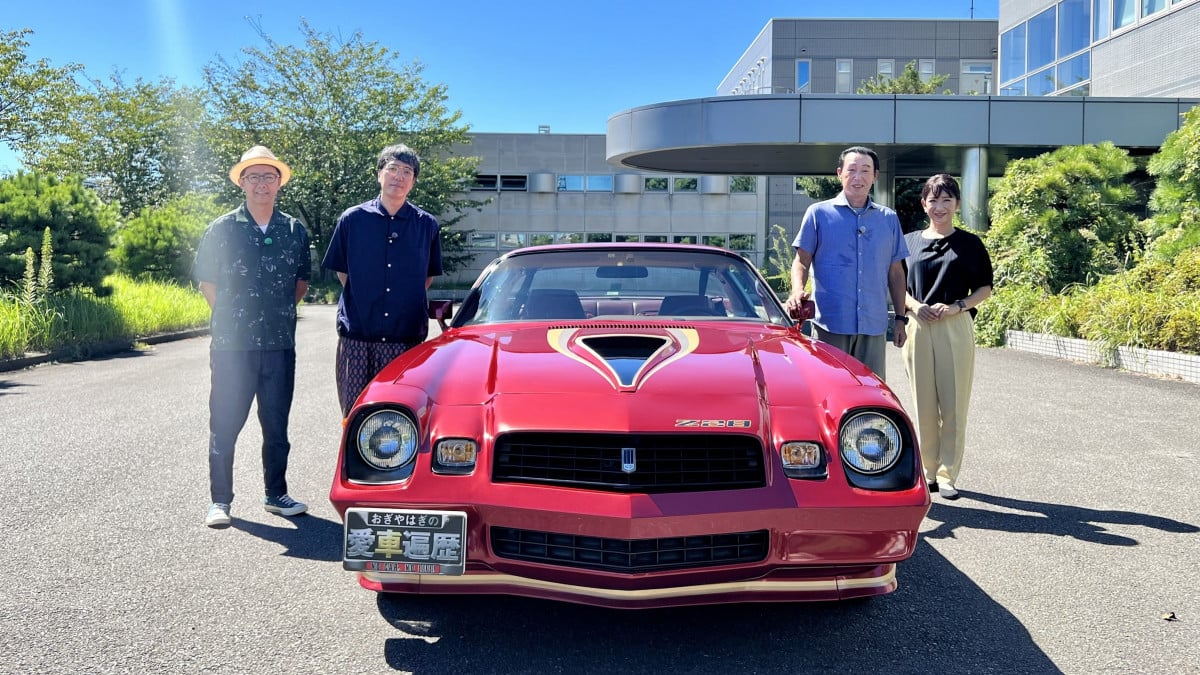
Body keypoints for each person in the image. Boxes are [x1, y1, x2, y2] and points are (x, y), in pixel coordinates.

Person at [193, 145, 311, 528]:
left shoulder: (294, 230)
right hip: (232, 347)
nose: (262, 183)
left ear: (279, 183)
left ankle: (276, 494)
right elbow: (207, 281)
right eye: (254, 176)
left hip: (278, 344)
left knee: (276, 424)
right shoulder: (222, 228)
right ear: (242, 182)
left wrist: (271, 314)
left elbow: (301, 283)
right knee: (225, 423)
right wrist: (233, 318)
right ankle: (220, 501)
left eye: (269, 176)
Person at [322, 144, 443, 417]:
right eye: (392, 169)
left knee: (400, 417)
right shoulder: (352, 220)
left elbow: (427, 276)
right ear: (379, 174)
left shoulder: (426, 225)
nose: (398, 177)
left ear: (413, 181)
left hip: (405, 339)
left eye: (406, 171)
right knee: (354, 415)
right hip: (358, 337)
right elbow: (343, 273)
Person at [900, 174, 993, 500]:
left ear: (956, 204)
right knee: (922, 404)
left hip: (956, 326)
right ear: (923, 203)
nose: (939, 207)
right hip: (919, 327)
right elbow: (897, 286)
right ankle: (927, 472)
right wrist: (914, 306)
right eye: (932, 200)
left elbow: (985, 288)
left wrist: (957, 306)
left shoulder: (970, 244)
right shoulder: (908, 242)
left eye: (946, 200)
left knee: (954, 405)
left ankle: (948, 474)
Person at [785, 146, 909, 379]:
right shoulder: (818, 213)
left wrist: (901, 319)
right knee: (828, 390)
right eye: (851, 170)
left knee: (871, 394)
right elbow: (801, 261)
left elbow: (896, 273)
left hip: (873, 324)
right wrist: (797, 290)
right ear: (839, 173)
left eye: (865, 170)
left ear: (875, 176)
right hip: (830, 324)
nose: (858, 177)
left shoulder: (888, 219)